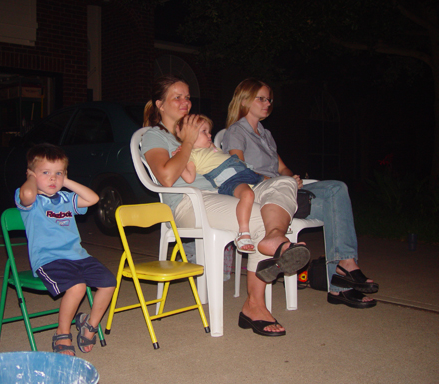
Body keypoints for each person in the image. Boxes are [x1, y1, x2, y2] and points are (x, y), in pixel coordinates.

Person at [141, 74, 311, 337]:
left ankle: (275, 237)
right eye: (177, 97)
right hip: (190, 203)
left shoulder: (201, 132)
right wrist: (187, 141)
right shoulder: (155, 136)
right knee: (258, 220)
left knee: (284, 184)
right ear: (160, 105)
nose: (185, 101)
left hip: (225, 193)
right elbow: (165, 177)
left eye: (187, 96)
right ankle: (255, 304)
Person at [223, 78, 379, 309]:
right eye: (262, 98)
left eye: (270, 99)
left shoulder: (265, 134)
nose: (268, 103)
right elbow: (240, 169)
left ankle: (345, 265)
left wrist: (291, 177)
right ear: (245, 100)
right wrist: (278, 180)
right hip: (261, 192)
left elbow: (282, 167)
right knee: (330, 205)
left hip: (282, 187)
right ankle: (340, 285)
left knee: (337, 188)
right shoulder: (236, 132)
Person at [15, 143, 116, 355]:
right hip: (49, 260)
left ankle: (90, 326)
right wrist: (32, 178)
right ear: (31, 174)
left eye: (57, 173)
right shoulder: (32, 200)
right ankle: (62, 332)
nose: (53, 178)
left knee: (109, 282)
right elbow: (26, 195)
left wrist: (65, 180)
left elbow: (93, 199)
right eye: (46, 173)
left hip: (78, 256)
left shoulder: (65, 198)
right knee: (78, 287)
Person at [174, 114, 264, 253]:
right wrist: (178, 158)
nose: (209, 134)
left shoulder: (211, 147)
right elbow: (189, 177)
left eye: (209, 131)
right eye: (204, 131)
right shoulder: (191, 154)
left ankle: (280, 223)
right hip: (232, 180)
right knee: (247, 195)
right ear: (189, 135)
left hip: (246, 173)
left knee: (275, 184)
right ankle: (244, 233)